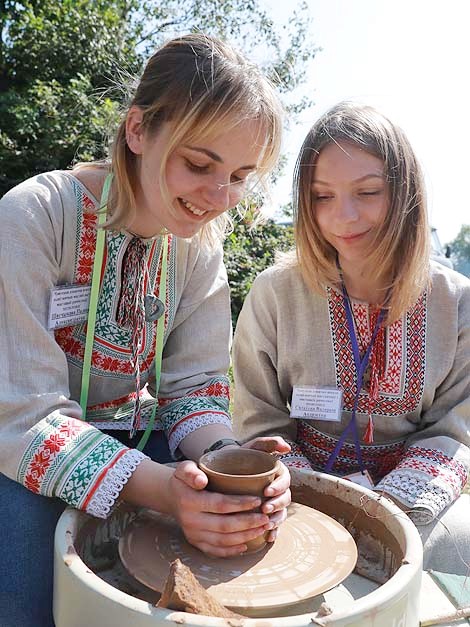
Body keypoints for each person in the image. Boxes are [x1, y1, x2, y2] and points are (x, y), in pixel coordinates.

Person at [0, 33, 291, 627]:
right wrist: (164, 491)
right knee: (28, 594)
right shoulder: (33, 216)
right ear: (137, 131)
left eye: (238, 176)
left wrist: (225, 463)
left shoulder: (201, 251)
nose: (218, 198)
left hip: (145, 446)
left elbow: (194, 390)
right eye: (198, 163)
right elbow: (19, 417)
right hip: (21, 453)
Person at [232, 101, 470, 575]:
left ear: (404, 194)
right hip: (292, 499)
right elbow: (259, 419)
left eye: (368, 192)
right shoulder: (276, 292)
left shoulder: (457, 303)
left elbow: (455, 430)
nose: (344, 216)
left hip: (411, 504)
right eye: (322, 196)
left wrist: (385, 508)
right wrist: (312, 494)